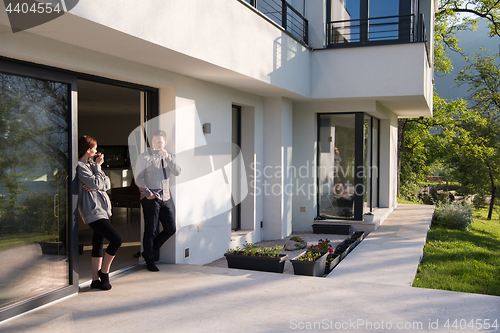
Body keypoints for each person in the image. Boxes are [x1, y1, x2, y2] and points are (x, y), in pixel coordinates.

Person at [78, 136, 122, 290]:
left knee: (98, 243)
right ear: (87, 149)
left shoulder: (91, 164)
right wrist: (97, 174)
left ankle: (95, 280)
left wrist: (97, 178)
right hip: (93, 211)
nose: (97, 151)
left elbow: (107, 184)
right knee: (116, 240)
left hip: (103, 209)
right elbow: (96, 183)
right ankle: (104, 272)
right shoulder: (80, 166)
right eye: (94, 148)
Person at [135, 130, 181, 271]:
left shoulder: (169, 156)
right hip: (151, 199)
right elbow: (138, 178)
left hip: (166, 197)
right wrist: (148, 193)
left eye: (159, 142)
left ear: (164, 143)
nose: (156, 144)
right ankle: (150, 260)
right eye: (154, 142)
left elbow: (177, 172)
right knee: (150, 230)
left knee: (171, 229)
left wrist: (168, 158)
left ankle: (148, 251)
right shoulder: (144, 157)